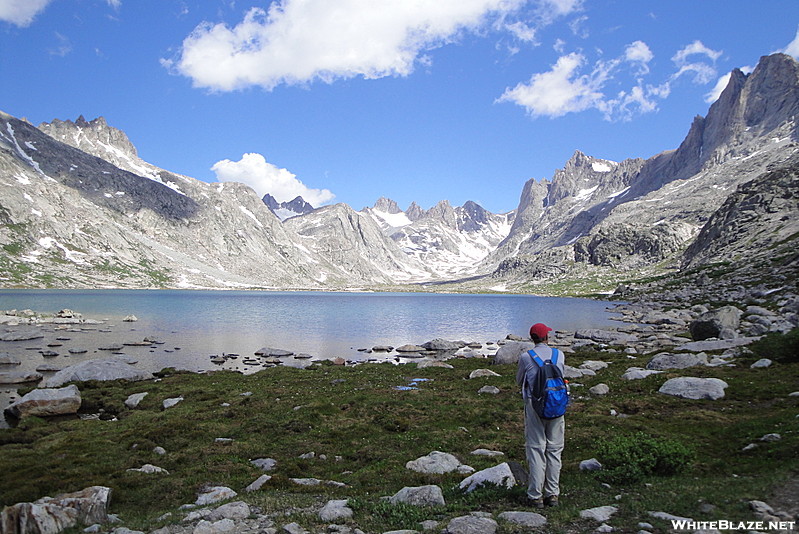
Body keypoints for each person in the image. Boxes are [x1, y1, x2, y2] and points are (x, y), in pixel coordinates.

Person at [515, 322, 565, 508]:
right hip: (557, 405)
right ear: (547, 337)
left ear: (532, 338)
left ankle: (535, 495)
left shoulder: (526, 357)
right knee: (554, 450)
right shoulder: (559, 355)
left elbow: (520, 380)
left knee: (536, 449)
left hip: (534, 406)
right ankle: (552, 494)